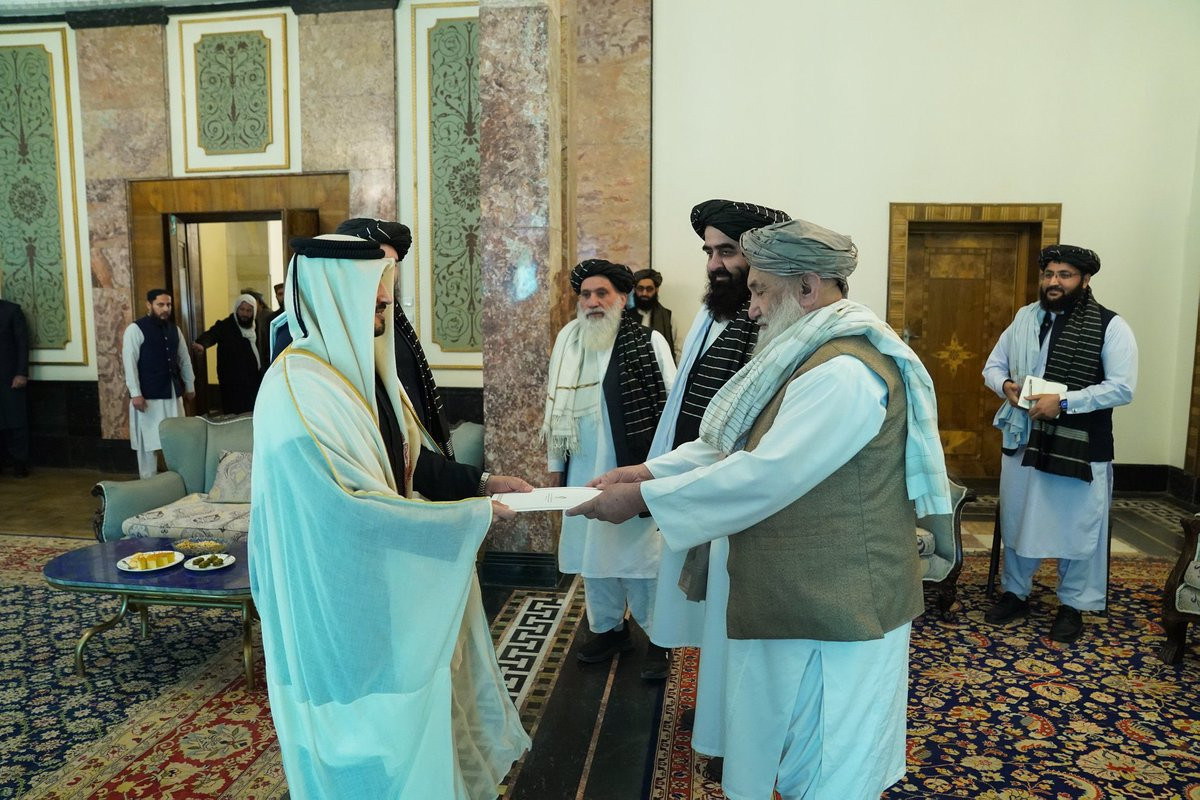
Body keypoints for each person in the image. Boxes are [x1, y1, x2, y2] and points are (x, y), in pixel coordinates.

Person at [568, 218, 952, 800]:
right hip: (796, 593)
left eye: (759, 291)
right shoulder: (805, 353)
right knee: (789, 750)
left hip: (840, 606)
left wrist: (642, 499)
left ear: (806, 288)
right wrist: (645, 472)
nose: (750, 310)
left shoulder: (845, 372)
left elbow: (767, 474)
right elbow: (736, 442)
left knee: (829, 765)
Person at [249, 234, 530, 797]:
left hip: (388, 584)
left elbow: (406, 459)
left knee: (407, 718)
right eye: (373, 296)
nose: (384, 306)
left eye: (386, 293)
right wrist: (468, 519)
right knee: (356, 735)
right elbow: (347, 511)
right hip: (337, 598)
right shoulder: (294, 390)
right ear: (332, 296)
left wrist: (479, 484)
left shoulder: (365, 372)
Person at [648, 198, 789, 767]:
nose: (714, 265)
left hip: (745, 499)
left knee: (737, 623)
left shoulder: (776, 322)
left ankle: (736, 738)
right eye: (709, 251)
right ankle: (719, 718)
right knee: (711, 618)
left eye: (727, 251)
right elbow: (684, 402)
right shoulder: (714, 316)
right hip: (702, 482)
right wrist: (658, 470)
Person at [983, 244, 1137, 643]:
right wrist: (1005, 385)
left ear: (1085, 280)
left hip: (1081, 444)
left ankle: (1073, 604)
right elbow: (993, 366)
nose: (1054, 282)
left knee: (1078, 524)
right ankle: (1015, 592)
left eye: (1064, 275)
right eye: (1048, 274)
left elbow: (1122, 388)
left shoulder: (1111, 326)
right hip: (1025, 436)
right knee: (1020, 516)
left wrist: (1064, 402)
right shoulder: (1024, 318)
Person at [543, 259, 676, 678]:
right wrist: (555, 467)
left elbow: (671, 410)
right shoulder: (568, 341)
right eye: (585, 294)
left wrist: (661, 473)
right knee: (593, 556)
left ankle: (659, 638)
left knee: (642, 559)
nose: (592, 302)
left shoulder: (650, 341)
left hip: (633, 474)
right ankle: (607, 629)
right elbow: (553, 408)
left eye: (602, 293)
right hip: (582, 471)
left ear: (622, 298)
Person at [333, 217, 530, 501]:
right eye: (377, 266)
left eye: (393, 266)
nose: (386, 289)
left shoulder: (390, 330)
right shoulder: (314, 365)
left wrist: (481, 484)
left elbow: (404, 445)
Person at [122, 290, 195, 479]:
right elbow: (129, 363)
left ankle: (178, 480)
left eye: (168, 305)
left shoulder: (174, 330)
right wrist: (135, 393)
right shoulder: (135, 329)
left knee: (177, 439)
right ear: (149, 305)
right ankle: (148, 483)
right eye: (160, 305)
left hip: (172, 394)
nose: (165, 309)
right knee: (148, 443)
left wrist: (189, 385)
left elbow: (184, 359)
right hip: (148, 396)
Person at [190, 294, 262, 414]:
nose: (245, 314)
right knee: (234, 414)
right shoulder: (226, 326)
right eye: (242, 309)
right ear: (236, 309)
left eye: (249, 311)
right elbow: (211, 335)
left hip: (254, 380)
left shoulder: (257, 326)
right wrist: (202, 344)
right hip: (233, 383)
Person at [0, 298, 30, 477]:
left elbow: (22, 344)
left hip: (9, 377)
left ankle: (20, 464)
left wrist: (21, 373)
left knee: (15, 423)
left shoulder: (11, 311)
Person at [632, 268, 676, 359]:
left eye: (649, 289)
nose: (644, 293)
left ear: (656, 290)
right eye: (640, 288)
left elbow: (677, 349)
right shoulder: (627, 316)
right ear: (635, 290)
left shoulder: (668, 316)